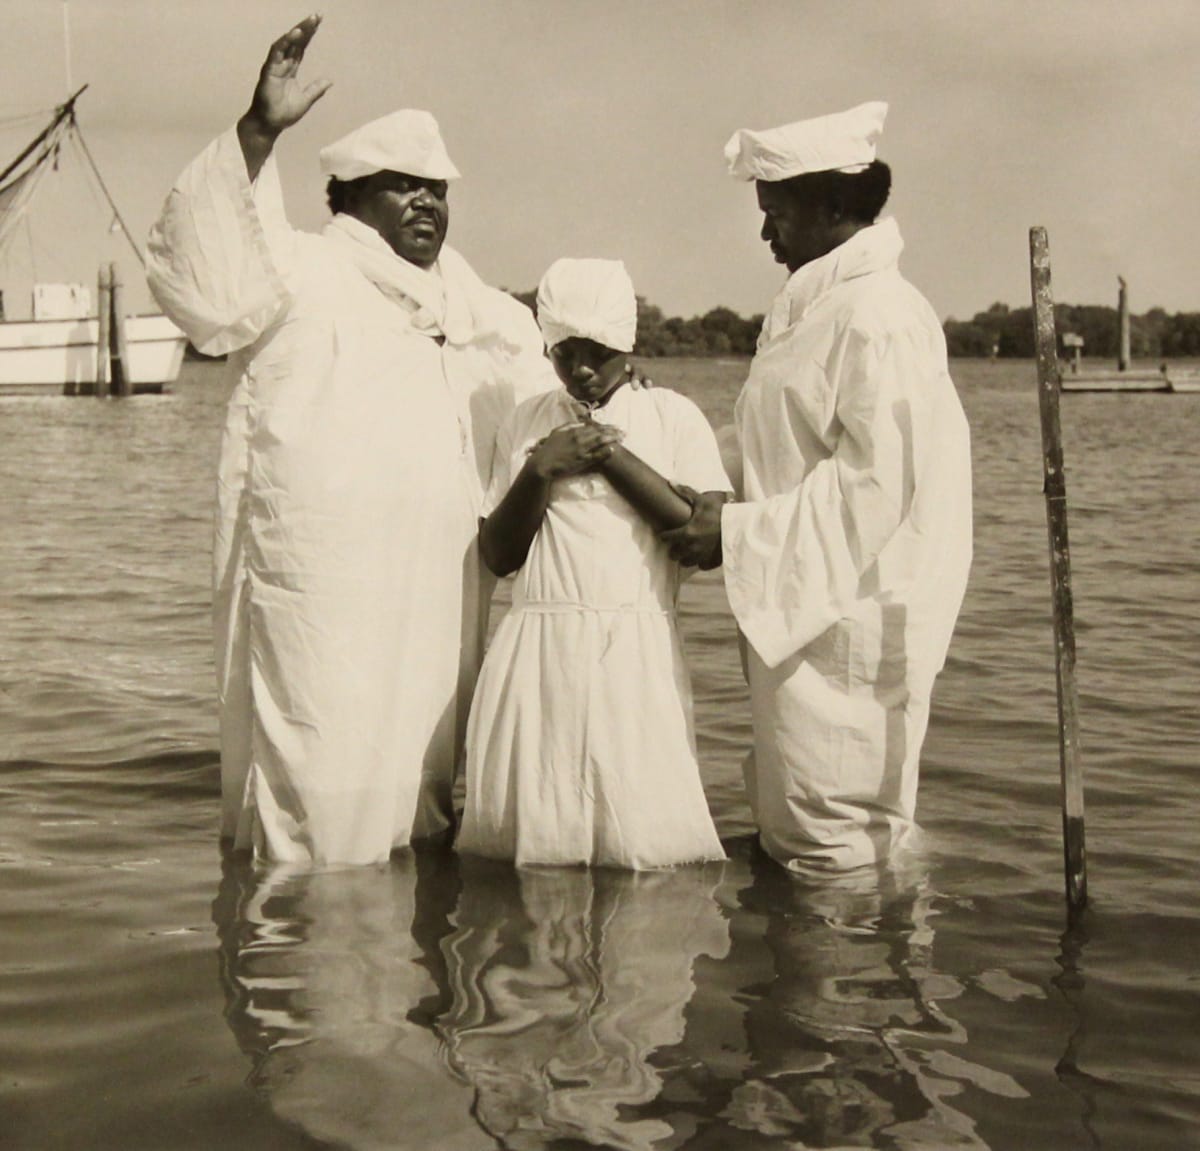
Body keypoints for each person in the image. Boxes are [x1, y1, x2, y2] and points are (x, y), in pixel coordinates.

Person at [146, 16, 555, 864]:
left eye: (438, 189)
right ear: (349, 199)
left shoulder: (472, 306)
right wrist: (258, 133)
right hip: (326, 600)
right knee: (318, 800)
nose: (427, 204)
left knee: (421, 795)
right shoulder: (300, 270)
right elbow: (207, 289)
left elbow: (552, 407)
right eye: (403, 186)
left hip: (437, 595)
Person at [664, 102, 973, 871]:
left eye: (776, 214)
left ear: (835, 206)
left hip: (849, 627)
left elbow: (874, 487)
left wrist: (731, 534)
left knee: (839, 840)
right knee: (800, 819)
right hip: (800, 616)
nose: (766, 234)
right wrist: (688, 471)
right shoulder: (817, 306)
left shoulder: (880, 316)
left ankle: (860, 982)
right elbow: (778, 443)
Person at [456, 258, 730, 869]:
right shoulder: (528, 421)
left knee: (642, 844)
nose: (579, 369)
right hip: (538, 649)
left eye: (597, 353)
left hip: (634, 650)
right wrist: (540, 469)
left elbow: (701, 541)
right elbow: (499, 555)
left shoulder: (672, 418)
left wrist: (609, 458)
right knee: (534, 842)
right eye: (563, 353)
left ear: (627, 347)